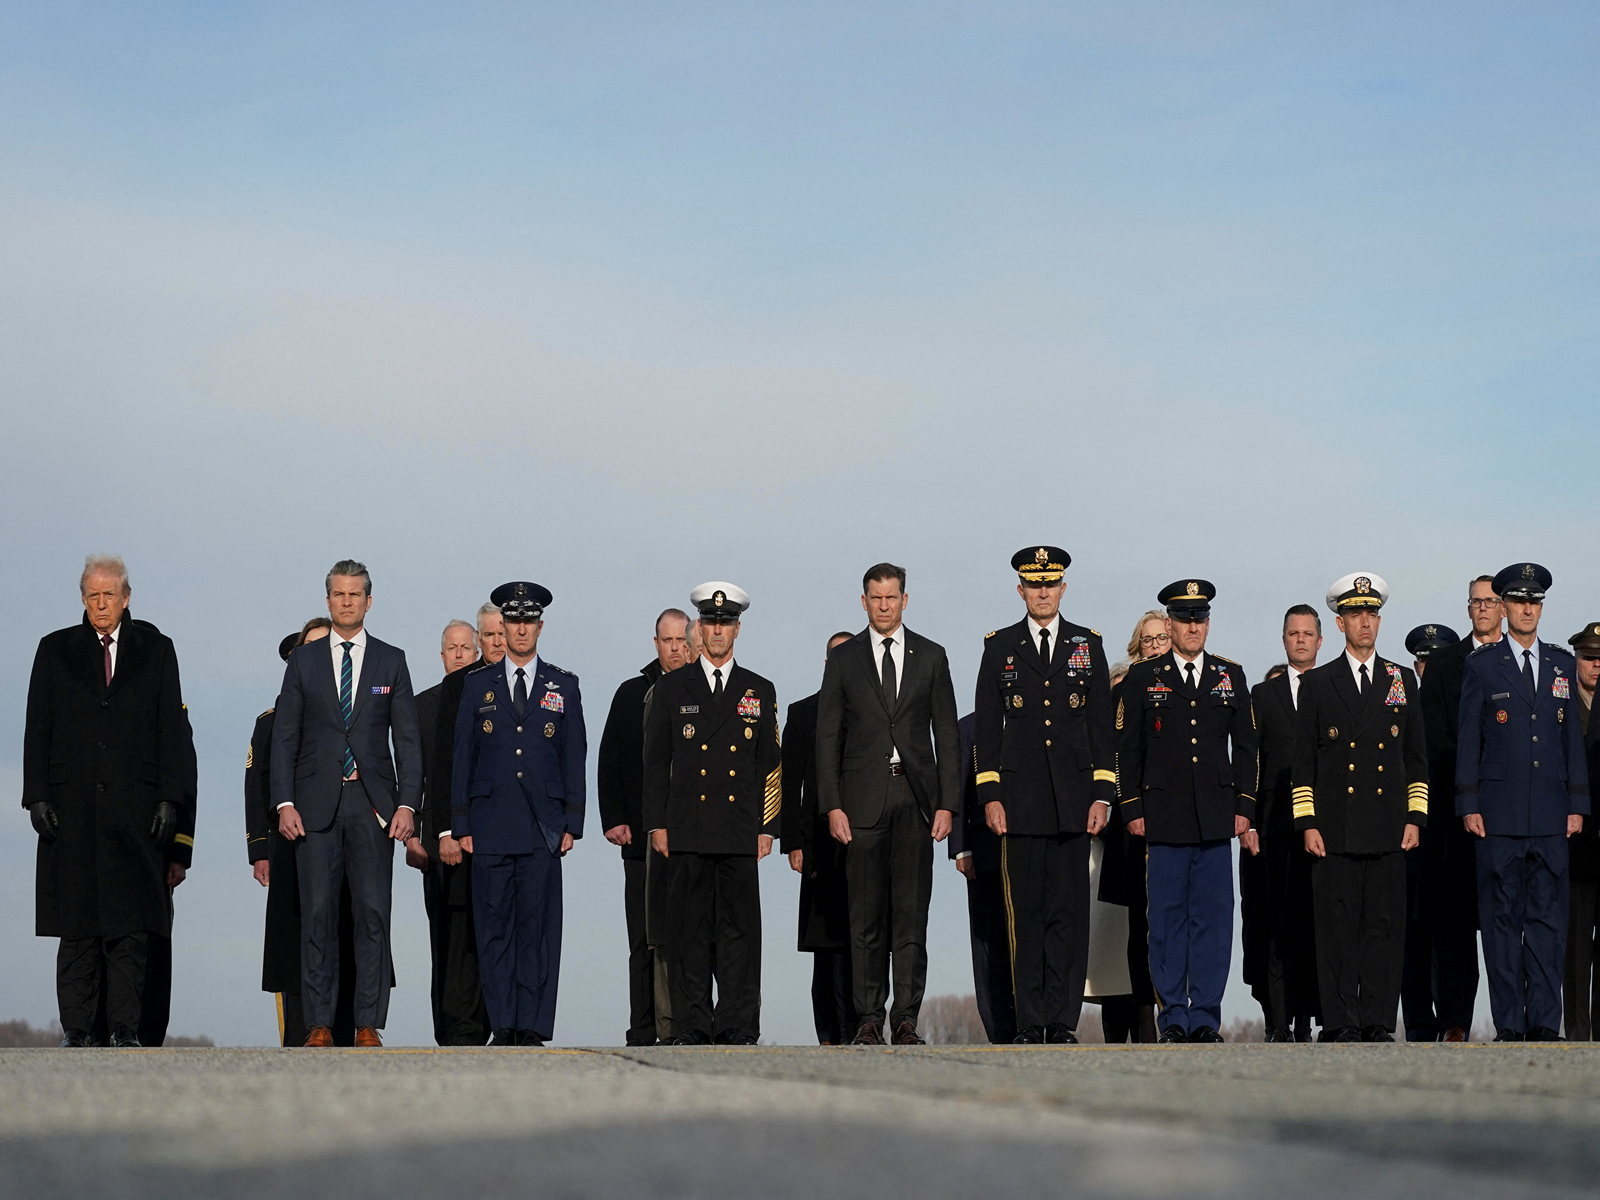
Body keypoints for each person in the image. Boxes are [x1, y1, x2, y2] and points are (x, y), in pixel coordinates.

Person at [24, 556, 188, 1048]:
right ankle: (77, 1030)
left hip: (135, 814)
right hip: (70, 814)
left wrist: (169, 799)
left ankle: (124, 1029)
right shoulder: (54, 650)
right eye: (92, 595)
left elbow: (171, 733)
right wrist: (35, 796)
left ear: (127, 596)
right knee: (75, 930)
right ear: (82, 598)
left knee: (129, 931)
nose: (101, 603)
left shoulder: (156, 650)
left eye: (109, 595)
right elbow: (37, 729)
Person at [270, 559, 422, 1048]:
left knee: (373, 914)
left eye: (356, 593)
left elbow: (409, 742)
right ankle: (318, 1023)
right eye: (339, 593)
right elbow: (284, 737)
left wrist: (407, 806)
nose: (347, 600)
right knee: (317, 914)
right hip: (314, 807)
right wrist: (284, 802)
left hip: (373, 805)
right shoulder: (303, 661)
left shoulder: (391, 660)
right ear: (328, 600)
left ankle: (367, 1024)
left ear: (369, 600)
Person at [971, 546, 1112, 1045]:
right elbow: (986, 729)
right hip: (1019, 803)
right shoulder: (999, 646)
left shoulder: (1086, 644)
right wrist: (990, 795)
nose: (1043, 591)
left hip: (1075, 803)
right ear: (1021, 590)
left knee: (1068, 916)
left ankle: (1062, 1020)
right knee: (1025, 916)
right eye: (1035, 584)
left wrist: (1102, 795)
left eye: (1051, 583)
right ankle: (1031, 1021)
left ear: (1063, 588)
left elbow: (1100, 729)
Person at [816, 563, 959, 1047]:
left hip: (917, 801)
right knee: (865, 917)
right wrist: (832, 805)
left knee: (911, 916)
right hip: (861, 804)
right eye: (875, 598)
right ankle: (868, 1019)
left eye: (891, 597)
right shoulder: (844, 659)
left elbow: (949, 737)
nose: (883, 605)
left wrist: (947, 805)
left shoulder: (932, 657)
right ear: (863, 601)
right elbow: (827, 737)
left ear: (904, 599)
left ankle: (906, 1019)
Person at [1116, 579, 1257, 1044]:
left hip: (1217, 818)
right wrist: (1133, 806)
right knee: (1167, 922)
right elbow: (1127, 751)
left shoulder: (1229, 675)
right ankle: (1173, 1014)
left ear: (1208, 623)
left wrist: (1245, 807)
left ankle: (1206, 1018)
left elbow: (1248, 750)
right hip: (1164, 818)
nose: (1192, 626)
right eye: (1183, 618)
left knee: (1214, 923)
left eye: (1200, 618)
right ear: (1170, 624)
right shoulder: (1143, 678)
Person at [1291, 574, 1427, 1043]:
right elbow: (1302, 762)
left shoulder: (1400, 678)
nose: (1365, 622)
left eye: (1371, 614)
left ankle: (1377, 1020)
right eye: (1355, 615)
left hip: (1389, 827)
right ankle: (1340, 1019)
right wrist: (1306, 822)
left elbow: (1416, 757)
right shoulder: (1319, 683)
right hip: (1335, 828)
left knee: (1384, 928)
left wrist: (1415, 817)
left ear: (1379, 620)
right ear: (1340, 622)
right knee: (1337, 928)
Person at [642, 582, 780, 1045]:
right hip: (688, 831)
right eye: (711, 623)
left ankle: (738, 1024)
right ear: (699, 628)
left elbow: (770, 765)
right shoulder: (671, 686)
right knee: (689, 935)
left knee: (740, 935)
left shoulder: (758, 689)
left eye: (726, 624)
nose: (717, 631)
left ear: (737, 629)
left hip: (740, 831)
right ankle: (693, 1024)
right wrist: (656, 823)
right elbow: (656, 761)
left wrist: (768, 827)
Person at [450, 582, 586, 1045]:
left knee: (538, 931)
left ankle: (531, 1024)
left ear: (540, 627)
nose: (521, 629)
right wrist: (461, 821)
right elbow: (462, 758)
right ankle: (503, 1022)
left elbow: (574, 756)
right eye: (514, 621)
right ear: (502, 629)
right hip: (489, 824)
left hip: (542, 826)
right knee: (494, 929)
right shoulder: (477, 685)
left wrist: (572, 823)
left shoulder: (563, 685)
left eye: (529, 621)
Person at [1458, 563, 1588, 1041]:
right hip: (1497, 815)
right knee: (1500, 922)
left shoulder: (1561, 664)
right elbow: (1469, 738)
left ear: (1540, 608)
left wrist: (1577, 804)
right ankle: (1510, 1023)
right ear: (1505, 607)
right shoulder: (1482, 665)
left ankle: (1543, 1023)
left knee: (1548, 923)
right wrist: (1468, 802)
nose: (1527, 609)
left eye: (1535, 602)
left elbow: (1571, 738)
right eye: (1518, 601)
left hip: (1553, 815)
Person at [246, 619, 371, 1047]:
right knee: (294, 940)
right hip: (290, 843)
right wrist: (259, 849)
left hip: (343, 838)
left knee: (343, 932)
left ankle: (346, 1024)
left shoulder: (354, 717)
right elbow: (258, 785)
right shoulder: (272, 720)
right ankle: (302, 1031)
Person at [1413, 578, 1503, 1041]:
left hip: (1511, 812)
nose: (1483, 608)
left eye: (1491, 601)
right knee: (1454, 927)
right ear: (1468, 608)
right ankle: (1455, 1021)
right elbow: (1434, 740)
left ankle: (1519, 1020)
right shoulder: (1446, 663)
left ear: (1504, 608)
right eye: (1477, 601)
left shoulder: (1524, 662)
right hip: (1455, 817)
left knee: (1509, 925)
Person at [597, 608, 692, 1046]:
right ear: (655, 643)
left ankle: (688, 1025)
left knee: (688, 938)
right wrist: (613, 818)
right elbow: (609, 759)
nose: (674, 649)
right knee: (643, 940)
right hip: (639, 839)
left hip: (693, 839)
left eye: (680, 640)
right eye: (666, 641)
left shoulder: (701, 691)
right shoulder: (631, 693)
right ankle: (643, 1027)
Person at [419, 602, 503, 1046]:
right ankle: (450, 1027)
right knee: (446, 936)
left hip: (482, 832)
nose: (459, 654)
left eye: (465, 647)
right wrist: (421, 836)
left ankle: (478, 1022)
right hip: (439, 835)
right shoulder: (423, 705)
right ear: (442, 654)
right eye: (451, 648)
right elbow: (417, 776)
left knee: (480, 932)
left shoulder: (484, 696)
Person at [1243, 604, 1322, 1043]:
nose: (1300, 640)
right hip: (1273, 825)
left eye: (1308, 633)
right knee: (1277, 926)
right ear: (1284, 639)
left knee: (1314, 924)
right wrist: (1249, 820)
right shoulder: (1262, 694)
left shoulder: (1332, 686)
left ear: (1319, 640)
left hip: (1322, 825)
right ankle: (1277, 1022)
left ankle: (1308, 1018)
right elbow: (1250, 761)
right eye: (1293, 633)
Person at [782, 632, 858, 1044]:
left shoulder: (870, 711)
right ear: (828, 663)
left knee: (859, 940)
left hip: (862, 842)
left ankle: (859, 1026)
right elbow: (788, 781)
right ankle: (828, 1031)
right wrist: (792, 842)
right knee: (824, 945)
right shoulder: (803, 712)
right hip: (816, 846)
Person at [951, 711, 1016, 1043]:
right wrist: (961, 848)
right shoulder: (969, 727)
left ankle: (1033, 1020)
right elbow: (958, 790)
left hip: (1027, 847)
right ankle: (999, 1025)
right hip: (983, 851)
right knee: (989, 943)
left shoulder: (1034, 717)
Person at [1563, 622, 1600, 1038]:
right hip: (1574, 841)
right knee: (1575, 944)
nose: (1596, 665)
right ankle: (1576, 1028)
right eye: (1589, 658)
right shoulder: (1563, 704)